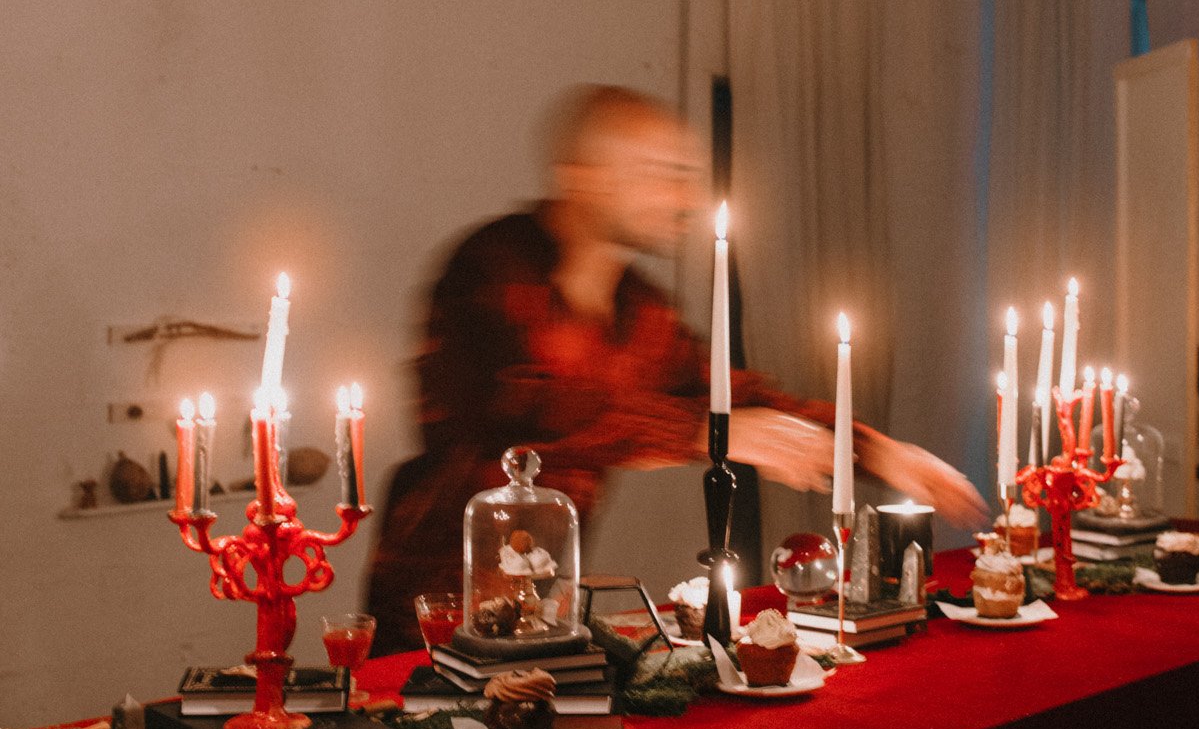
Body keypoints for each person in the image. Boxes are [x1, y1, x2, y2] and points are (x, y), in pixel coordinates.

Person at [365, 85, 986, 652]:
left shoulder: (641, 308)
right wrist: (704, 433)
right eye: (662, 175)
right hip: (432, 603)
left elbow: (737, 398)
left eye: (689, 176)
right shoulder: (489, 268)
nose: (687, 198)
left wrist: (878, 452)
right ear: (582, 178)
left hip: (543, 602)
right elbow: (541, 410)